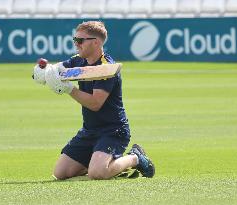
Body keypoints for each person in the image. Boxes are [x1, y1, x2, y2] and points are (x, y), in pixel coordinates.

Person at [33, 21, 155, 180]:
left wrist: (69, 89)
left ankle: (135, 157)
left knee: (97, 173)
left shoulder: (107, 68)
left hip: (113, 131)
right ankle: (104, 162)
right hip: (89, 130)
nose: (76, 44)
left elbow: (95, 104)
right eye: (74, 40)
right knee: (60, 173)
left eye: (80, 41)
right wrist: (44, 72)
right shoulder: (78, 60)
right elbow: (57, 69)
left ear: (96, 42)